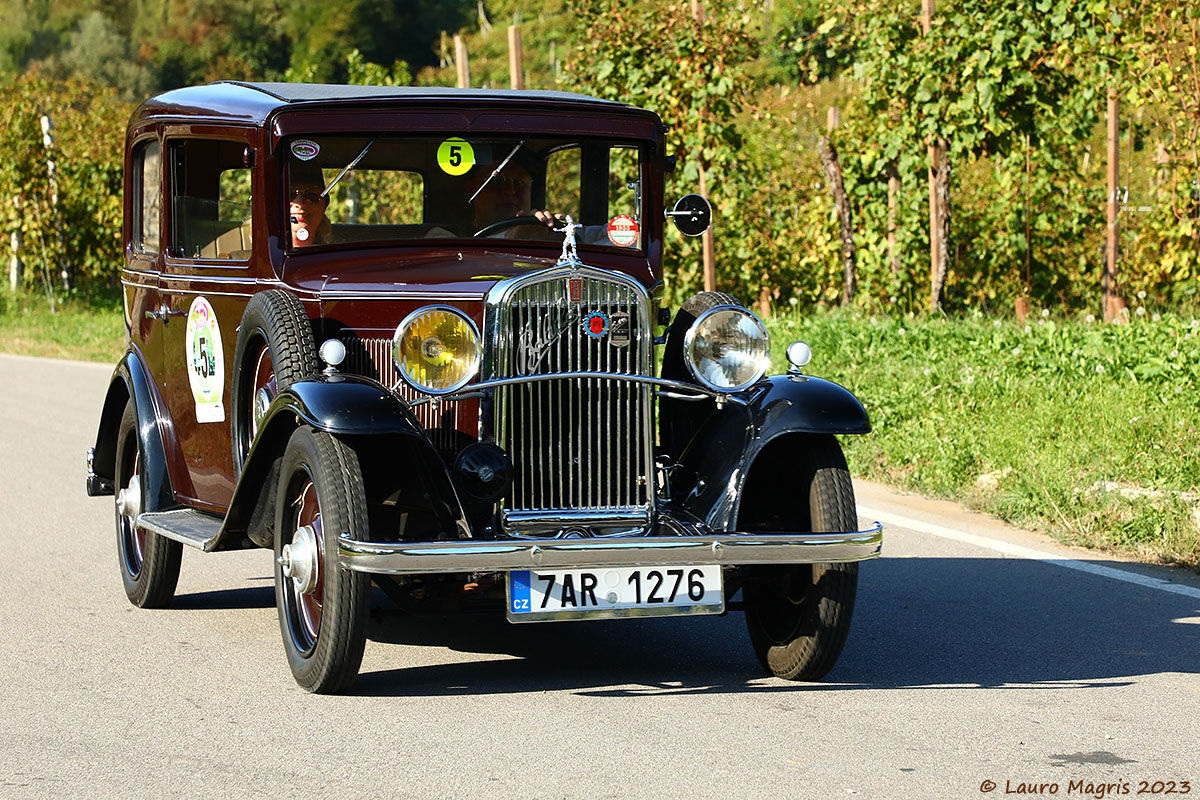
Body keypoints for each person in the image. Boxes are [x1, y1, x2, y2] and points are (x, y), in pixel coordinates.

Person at [288, 176, 332, 247]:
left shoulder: (341, 251)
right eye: (290, 195)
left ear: (325, 203)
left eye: (312, 196)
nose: (300, 204)